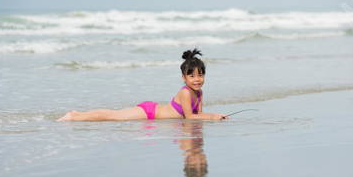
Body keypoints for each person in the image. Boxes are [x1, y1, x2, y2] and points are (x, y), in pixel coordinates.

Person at [56, 49, 227, 121]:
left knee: (113, 116)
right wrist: (213, 117)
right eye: (192, 76)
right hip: (149, 112)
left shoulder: (199, 93)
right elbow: (190, 117)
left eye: (200, 75)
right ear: (183, 77)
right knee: (113, 116)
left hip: (153, 114)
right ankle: (74, 116)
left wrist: (215, 117)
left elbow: (199, 115)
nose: (197, 79)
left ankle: (77, 114)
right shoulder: (185, 93)